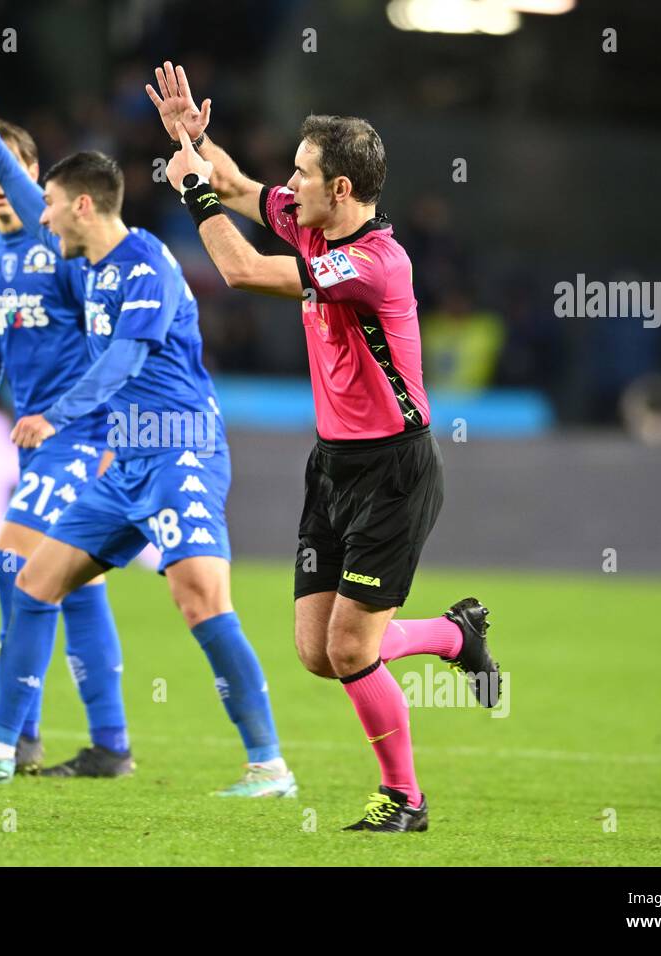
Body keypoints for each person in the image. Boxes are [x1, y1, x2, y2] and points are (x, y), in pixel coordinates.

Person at [147, 62, 501, 830]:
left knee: (349, 648)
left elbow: (239, 270)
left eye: (304, 173)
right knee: (319, 649)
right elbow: (243, 188)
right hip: (333, 463)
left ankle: (405, 799)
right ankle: (452, 634)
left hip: (394, 472)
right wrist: (193, 140)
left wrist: (190, 189)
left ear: (341, 189)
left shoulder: (376, 264)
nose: (292, 182)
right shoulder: (312, 217)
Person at [0, 105, 296, 797]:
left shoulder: (147, 260)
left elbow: (126, 356)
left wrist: (56, 415)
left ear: (83, 207)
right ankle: (0, 745)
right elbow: (29, 209)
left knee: (200, 602)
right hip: (123, 461)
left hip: (179, 449)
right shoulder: (85, 265)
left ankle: (269, 765)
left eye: (54, 209)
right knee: (34, 580)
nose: (43, 221)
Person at [0, 118, 132, 778]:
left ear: (36, 175)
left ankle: (11, 737)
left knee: (13, 564)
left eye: (8, 164)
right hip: (33, 445)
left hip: (81, 436)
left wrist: (108, 431)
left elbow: (105, 339)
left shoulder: (61, 246)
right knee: (76, 588)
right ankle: (109, 747)